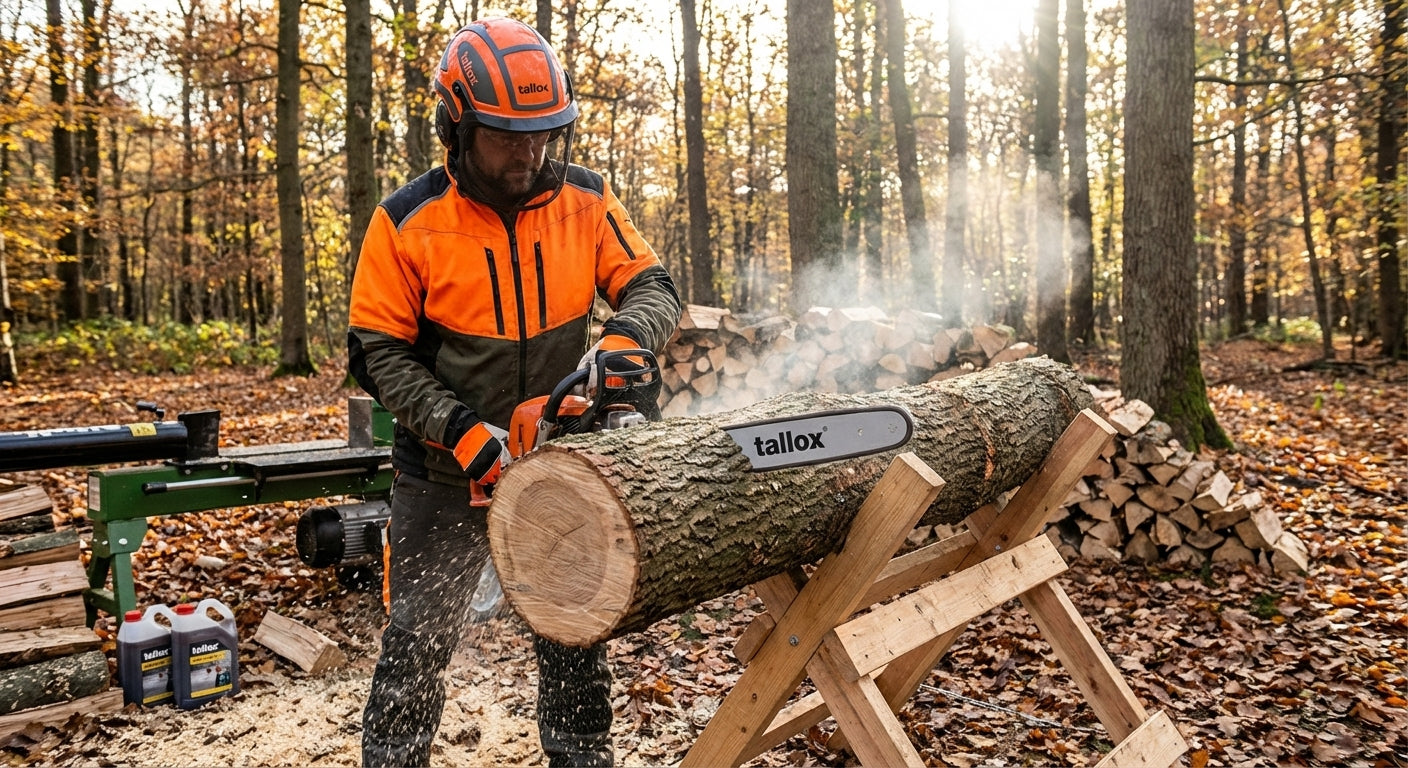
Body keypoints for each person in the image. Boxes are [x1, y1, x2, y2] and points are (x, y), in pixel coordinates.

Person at [347, 17, 681, 768]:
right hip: (442, 468)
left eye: (543, 134)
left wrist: (626, 340)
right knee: (418, 638)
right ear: (456, 126)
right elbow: (377, 353)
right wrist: (460, 432)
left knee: (572, 628)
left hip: (557, 461)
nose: (529, 152)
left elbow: (651, 284)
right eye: (507, 135)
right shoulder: (407, 222)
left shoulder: (586, 202)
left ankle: (580, 756)